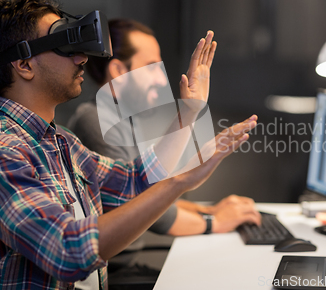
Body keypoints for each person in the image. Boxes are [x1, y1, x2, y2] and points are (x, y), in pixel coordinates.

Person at [0, 0, 257, 289]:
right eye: (64, 47)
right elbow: (67, 250)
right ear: (24, 64)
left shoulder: (62, 143)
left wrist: (188, 113)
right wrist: (179, 182)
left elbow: (134, 182)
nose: (81, 58)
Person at [68, 18, 261, 238]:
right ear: (119, 70)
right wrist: (214, 221)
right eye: (151, 68)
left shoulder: (124, 120)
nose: (162, 79)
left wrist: (208, 210)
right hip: (124, 268)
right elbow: (140, 205)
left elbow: (147, 191)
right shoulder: (96, 122)